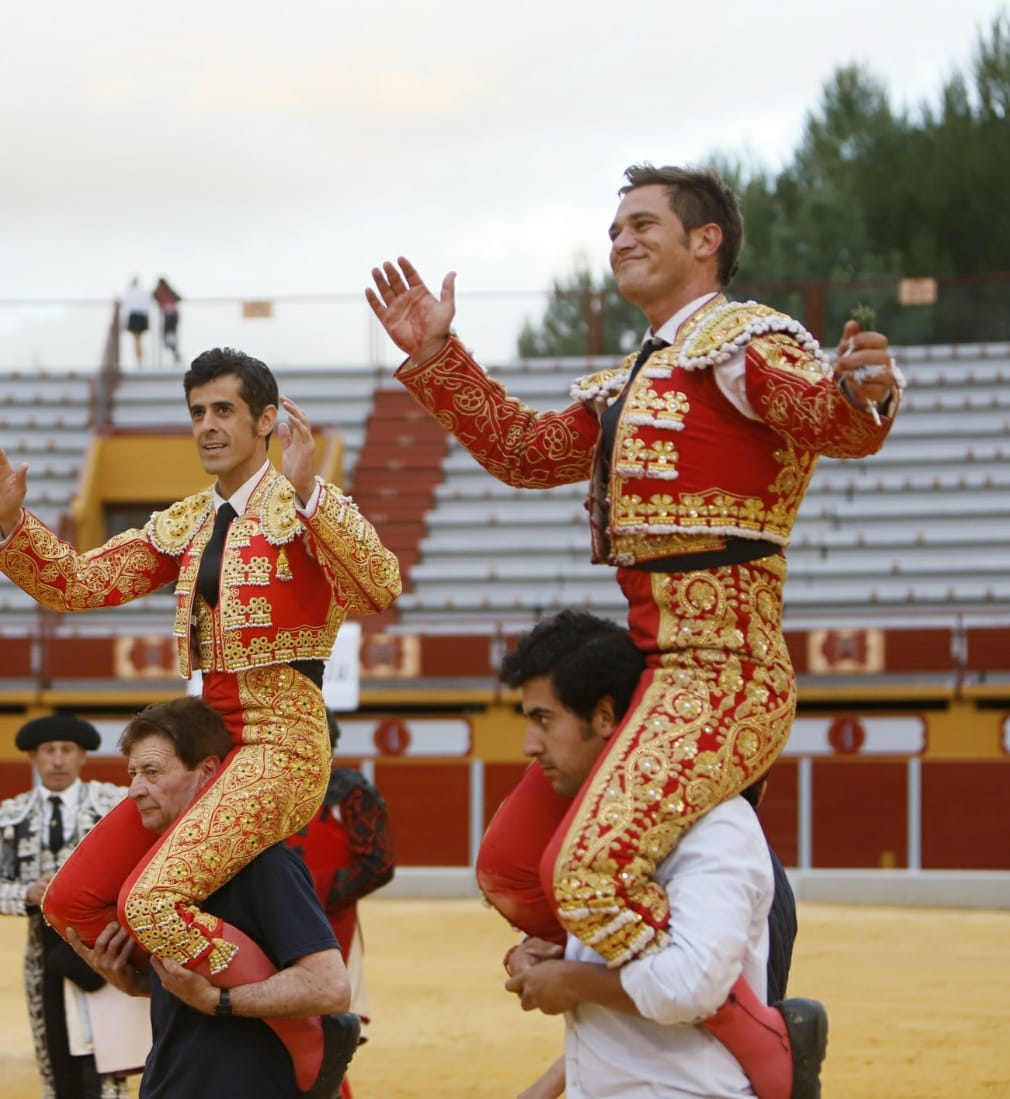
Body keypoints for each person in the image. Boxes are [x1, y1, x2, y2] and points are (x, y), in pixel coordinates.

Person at [367, 160, 900, 1001]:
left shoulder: (747, 344)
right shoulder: (637, 375)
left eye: (642, 224)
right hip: (649, 666)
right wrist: (437, 353)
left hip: (725, 670)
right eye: (615, 230)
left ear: (706, 240)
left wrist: (864, 393)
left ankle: (747, 1026)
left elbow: (831, 418)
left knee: (586, 876)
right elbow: (525, 451)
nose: (620, 241)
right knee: (514, 862)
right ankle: (647, 995)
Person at [0, 346, 399, 1098]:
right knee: (71, 901)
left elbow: (381, 585)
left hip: (280, 745)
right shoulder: (190, 521)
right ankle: (166, 992)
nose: (207, 426)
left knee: (151, 903)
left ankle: (311, 1035)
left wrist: (311, 492)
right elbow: (79, 584)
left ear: (266, 420)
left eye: (224, 410)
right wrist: (12, 523)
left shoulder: (305, 505)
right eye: (197, 412)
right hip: (205, 747)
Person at [493, 610, 824, 1099]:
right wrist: (546, 952)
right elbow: (632, 954)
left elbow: (692, 986)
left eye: (544, 719)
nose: (529, 745)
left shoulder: (715, 825)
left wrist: (572, 979)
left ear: (605, 716)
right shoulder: (603, 825)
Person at [65, 697, 360, 1099]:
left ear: (206, 772)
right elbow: (199, 985)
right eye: (132, 773)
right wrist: (140, 984)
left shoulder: (264, 864)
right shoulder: (154, 871)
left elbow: (328, 988)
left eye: (152, 772)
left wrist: (220, 1001)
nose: (134, 790)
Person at [0, 714, 135, 1099]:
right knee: (54, 1055)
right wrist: (27, 894)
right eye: (48, 751)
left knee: (108, 1055)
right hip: (43, 951)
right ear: (33, 758)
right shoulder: (13, 816)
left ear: (83, 756)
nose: (58, 760)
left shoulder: (112, 806)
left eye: (67, 750)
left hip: (103, 946)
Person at [283, 710, 394, 1099]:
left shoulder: (349, 792)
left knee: (319, 1030)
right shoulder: (265, 791)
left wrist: (311, 896)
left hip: (329, 925)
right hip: (271, 922)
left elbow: (378, 864)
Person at [121, 277, 152, 367]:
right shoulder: (144, 292)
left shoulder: (129, 292)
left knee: (137, 340)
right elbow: (148, 303)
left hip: (134, 316)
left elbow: (125, 304)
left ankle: (139, 360)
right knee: (139, 340)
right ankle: (141, 359)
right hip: (142, 316)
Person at [152, 278, 182, 364]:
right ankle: (174, 351)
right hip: (174, 315)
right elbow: (179, 298)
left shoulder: (159, 291)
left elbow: (153, 295)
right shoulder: (170, 291)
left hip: (169, 315)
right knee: (171, 334)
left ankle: (171, 348)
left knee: (166, 333)